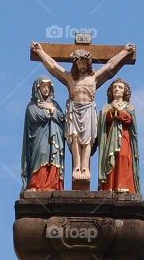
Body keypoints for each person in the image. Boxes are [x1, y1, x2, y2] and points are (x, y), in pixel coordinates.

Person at [30, 41, 135, 188]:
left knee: (88, 140)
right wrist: (40, 52)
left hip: (88, 110)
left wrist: (124, 52)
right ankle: (76, 167)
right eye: (78, 63)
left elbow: (110, 65)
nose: (81, 66)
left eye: (84, 63)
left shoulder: (94, 78)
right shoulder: (70, 78)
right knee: (74, 139)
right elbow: (54, 67)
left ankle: (85, 167)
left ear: (89, 63)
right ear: (75, 64)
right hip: (73, 109)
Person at [21, 77, 65, 191]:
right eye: (43, 86)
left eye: (48, 87)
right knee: (42, 154)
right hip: (40, 137)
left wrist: (51, 108)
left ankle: (52, 184)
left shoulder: (54, 104)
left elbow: (62, 118)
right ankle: (36, 184)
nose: (46, 89)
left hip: (55, 136)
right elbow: (36, 116)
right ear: (38, 88)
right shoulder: (32, 106)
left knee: (54, 158)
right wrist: (50, 111)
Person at [97, 78, 139, 193]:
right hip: (110, 138)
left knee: (123, 156)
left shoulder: (129, 106)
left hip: (123, 136)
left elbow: (129, 119)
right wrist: (111, 112)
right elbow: (102, 122)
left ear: (125, 91)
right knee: (110, 160)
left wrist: (118, 111)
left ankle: (123, 186)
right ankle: (110, 187)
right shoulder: (106, 107)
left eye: (120, 87)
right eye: (114, 87)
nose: (117, 89)